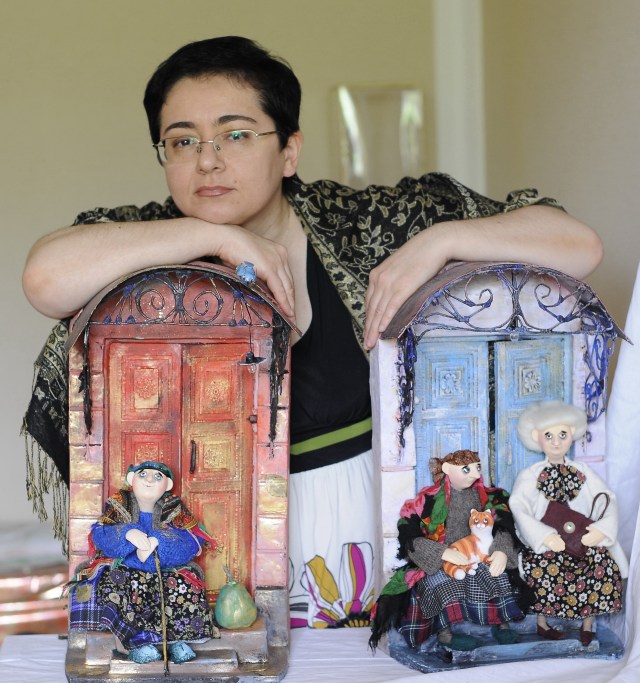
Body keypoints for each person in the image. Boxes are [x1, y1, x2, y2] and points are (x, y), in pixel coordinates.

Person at [22, 36, 604, 629]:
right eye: (182, 141)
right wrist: (213, 237)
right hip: (220, 550)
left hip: (382, 540)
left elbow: (577, 245)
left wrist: (443, 240)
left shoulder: (365, 224)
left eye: (236, 134)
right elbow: (46, 278)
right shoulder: (145, 238)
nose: (208, 160)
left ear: (289, 151)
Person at [369, 450, 526, 651]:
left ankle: (501, 624)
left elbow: (504, 524)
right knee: (441, 583)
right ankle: (445, 634)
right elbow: (408, 533)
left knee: (497, 576)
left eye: (478, 468)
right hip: (444, 559)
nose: (476, 474)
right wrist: (440, 552)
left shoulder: (490, 497)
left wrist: (501, 550)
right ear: (447, 469)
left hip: (479, 554)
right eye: (467, 470)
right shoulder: (427, 500)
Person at [67, 461, 216, 664]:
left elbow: (192, 539)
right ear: (132, 479)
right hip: (128, 568)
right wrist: (127, 533)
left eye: (157, 477)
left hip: (164, 569)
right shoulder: (119, 505)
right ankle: (137, 644)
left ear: (168, 485)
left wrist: (160, 540)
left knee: (183, 585)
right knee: (115, 583)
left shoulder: (174, 508)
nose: (149, 480)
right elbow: (100, 534)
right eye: (143, 474)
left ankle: (176, 641)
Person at [510, 401, 628, 646]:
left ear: (572, 434)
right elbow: (518, 506)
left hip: (581, 538)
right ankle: (543, 623)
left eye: (562, 435)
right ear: (536, 437)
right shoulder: (531, 475)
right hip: (551, 540)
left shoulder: (582, 471)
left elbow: (608, 498)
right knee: (541, 565)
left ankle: (587, 623)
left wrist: (600, 531)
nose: (556, 442)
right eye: (549, 436)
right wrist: (543, 536)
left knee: (599, 561)